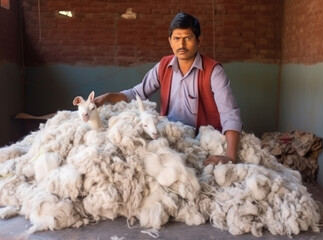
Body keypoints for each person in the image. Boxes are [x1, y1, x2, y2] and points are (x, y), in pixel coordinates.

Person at [94, 12, 243, 166]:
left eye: (188, 38)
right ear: (170, 41)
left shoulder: (213, 71)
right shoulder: (164, 66)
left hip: (202, 144)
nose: (182, 45)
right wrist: (108, 96)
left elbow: (229, 114)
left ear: (199, 40)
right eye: (177, 38)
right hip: (170, 141)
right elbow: (137, 93)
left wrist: (230, 156)